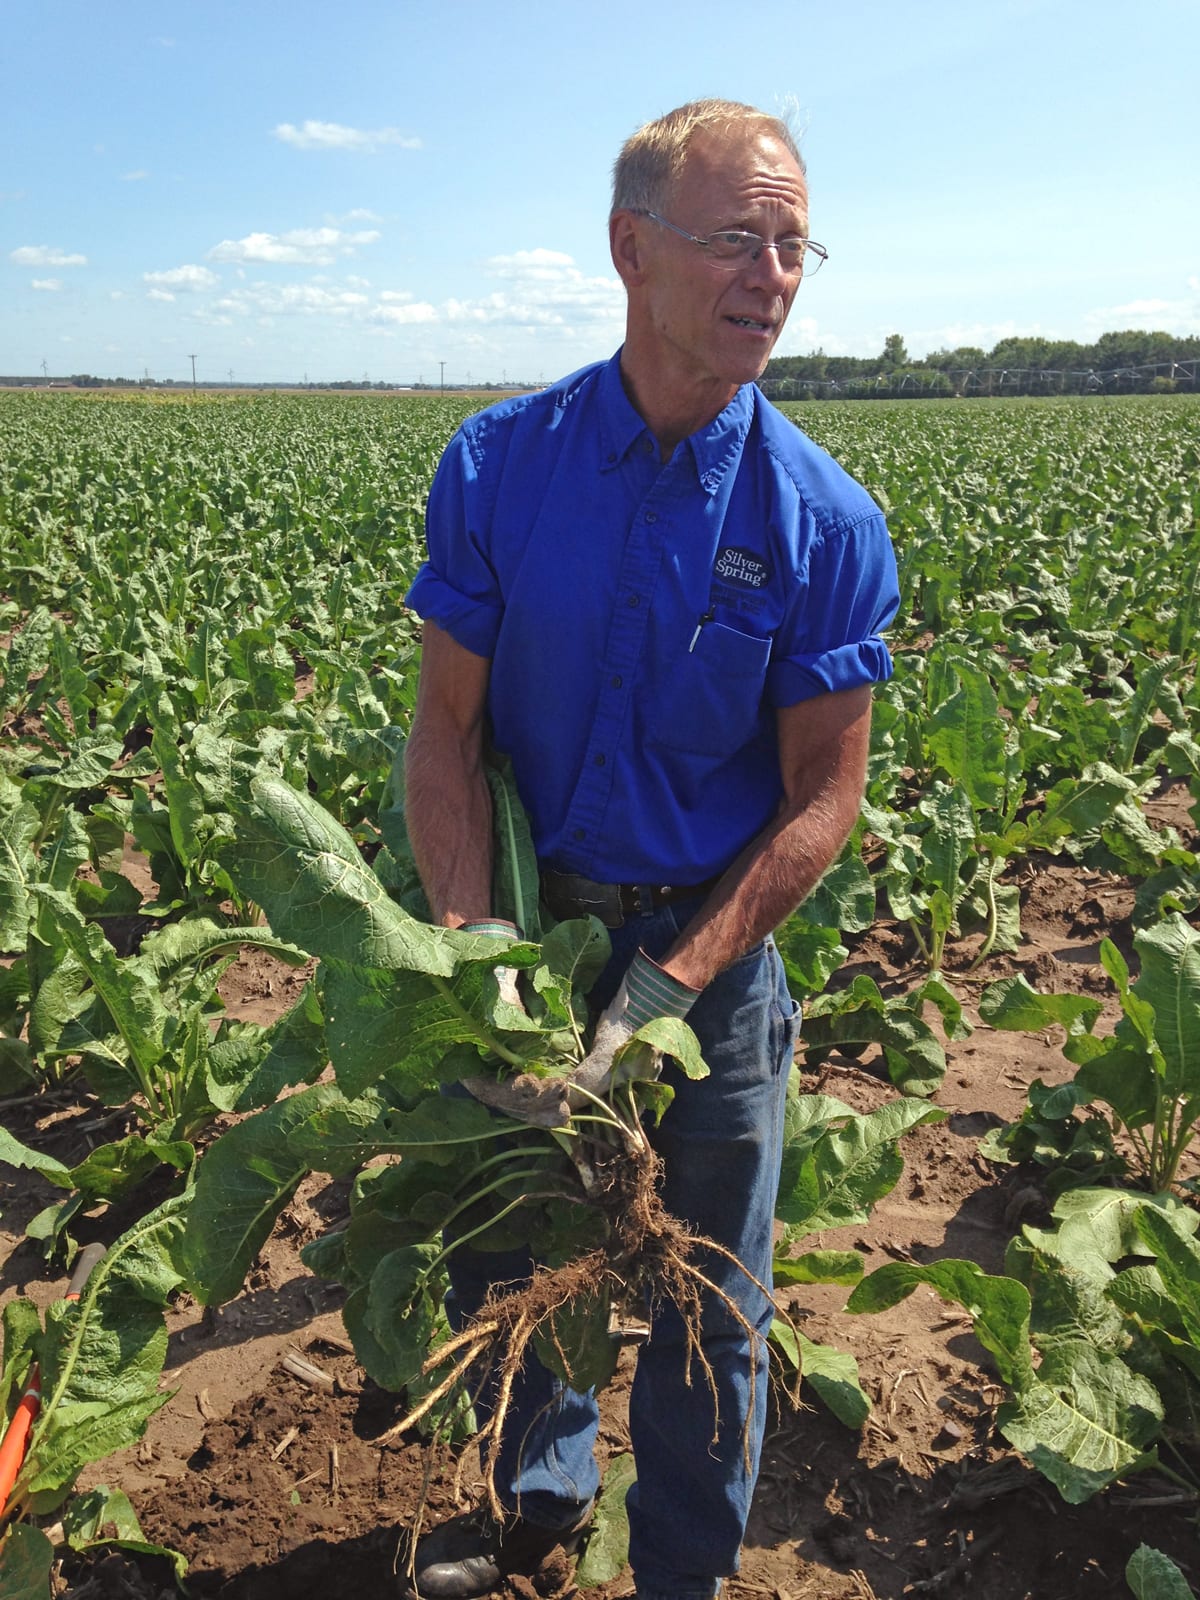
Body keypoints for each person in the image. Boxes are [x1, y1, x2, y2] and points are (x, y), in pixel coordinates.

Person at [401, 97, 900, 1600]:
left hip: (716, 973)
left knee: (712, 1303)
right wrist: (484, 957)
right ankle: (541, 1516)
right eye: (739, 238)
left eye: (795, 246)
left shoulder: (824, 520)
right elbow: (445, 739)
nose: (773, 275)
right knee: (520, 1254)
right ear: (631, 248)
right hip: (534, 934)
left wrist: (674, 983)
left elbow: (823, 799)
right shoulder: (500, 466)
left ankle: (683, 1574)